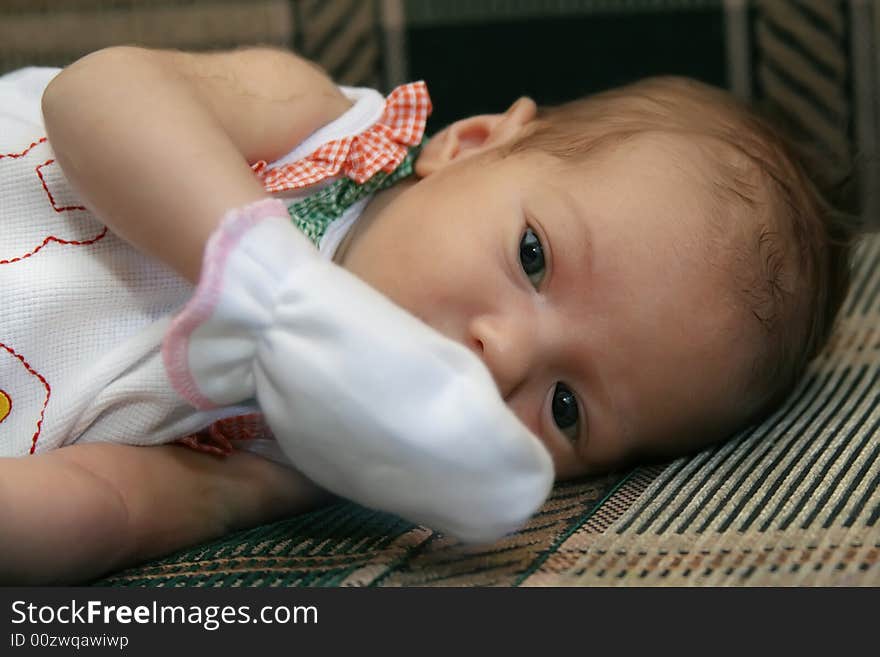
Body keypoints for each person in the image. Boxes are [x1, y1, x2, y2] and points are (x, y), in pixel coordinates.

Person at [0, 45, 854, 584]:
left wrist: (199, 502)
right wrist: (268, 276)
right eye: (533, 257)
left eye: (566, 408)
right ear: (470, 144)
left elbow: (109, 505)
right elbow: (97, 94)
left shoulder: (309, 457)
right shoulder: (319, 129)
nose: (505, 353)